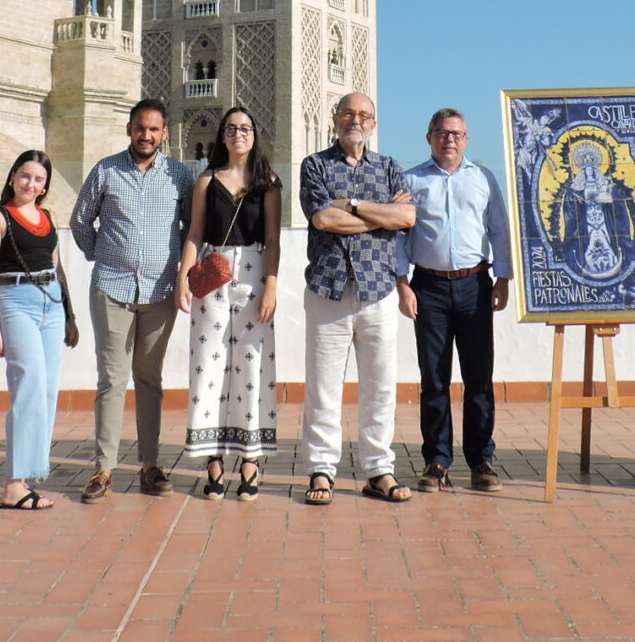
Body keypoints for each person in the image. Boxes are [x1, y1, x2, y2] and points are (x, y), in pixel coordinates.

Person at [69, 98, 194, 503]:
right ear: (129, 129)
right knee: (111, 380)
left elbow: (193, 227)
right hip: (112, 288)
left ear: (165, 133)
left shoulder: (180, 176)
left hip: (160, 292)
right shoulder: (106, 170)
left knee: (150, 380)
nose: (146, 135)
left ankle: (149, 466)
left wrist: (182, 274)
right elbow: (79, 220)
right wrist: (100, 254)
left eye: (154, 129)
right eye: (140, 128)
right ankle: (103, 469)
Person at [300, 91, 416, 505]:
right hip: (328, 289)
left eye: (364, 115)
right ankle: (320, 470)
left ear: (373, 123)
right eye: (348, 113)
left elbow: (406, 217)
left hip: (378, 290)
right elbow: (322, 218)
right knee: (323, 387)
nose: (356, 120)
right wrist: (379, 216)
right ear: (335, 118)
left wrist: (352, 205)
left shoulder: (389, 168)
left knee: (380, 386)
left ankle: (378, 469)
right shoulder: (315, 165)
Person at [395, 108, 514, 493]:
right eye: (442, 133)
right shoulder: (411, 181)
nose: (449, 139)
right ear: (429, 137)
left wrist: (504, 278)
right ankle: (437, 461)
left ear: (466, 139)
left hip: (475, 286)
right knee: (434, 379)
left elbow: (499, 228)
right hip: (427, 287)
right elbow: (398, 236)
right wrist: (402, 283)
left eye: (457, 133)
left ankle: (481, 461)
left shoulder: (483, 178)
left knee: (479, 377)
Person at [176, 106, 282, 500]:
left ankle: (251, 458)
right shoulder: (207, 179)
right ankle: (214, 458)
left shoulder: (267, 182)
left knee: (253, 365)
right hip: (212, 272)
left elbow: (273, 240)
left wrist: (271, 286)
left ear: (255, 135)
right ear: (222, 136)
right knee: (209, 366)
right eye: (232, 128)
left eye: (246, 128)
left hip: (254, 275)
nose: (239, 134)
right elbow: (195, 232)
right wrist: (183, 279)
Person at [0, 150, 79, 511]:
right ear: (11, 177)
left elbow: (58, 266)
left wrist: (70, 316)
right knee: (28, 383)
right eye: (24, 176)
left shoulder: (46, 216)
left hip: (51, 300)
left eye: (38, 179)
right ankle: (13, 483)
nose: (30, 184)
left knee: (48, 390)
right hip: (15, 299)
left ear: (45, 185)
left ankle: (29, 476)